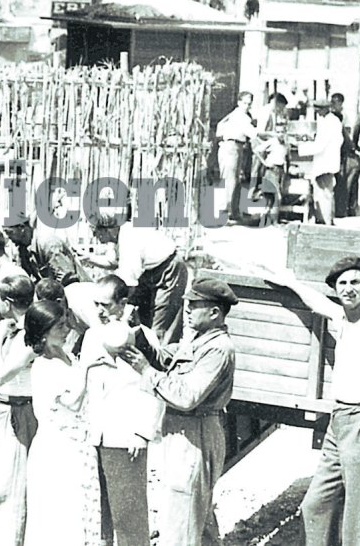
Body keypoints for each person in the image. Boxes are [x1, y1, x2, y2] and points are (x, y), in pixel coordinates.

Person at [261, 256, 360, 546]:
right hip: (339, 421)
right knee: (316, 506)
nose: (348, 288)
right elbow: (318, 303)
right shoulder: (344, 316)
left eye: (355, 282)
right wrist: (289, 281)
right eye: (342, 283)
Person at [118, 276, 238, 546]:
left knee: (181, 523)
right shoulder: (199, 340)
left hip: (195, 433)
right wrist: (138, 333)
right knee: (197, 518)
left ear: (214, 312)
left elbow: (187, 396)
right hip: (185, 433)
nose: (187, 310)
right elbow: (165, 360)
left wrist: (145, 372)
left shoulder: (218, 349)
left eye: (194, 305)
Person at [87, 275, 164, 546]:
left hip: (125, 439)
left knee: (129, 517)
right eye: (95, 304)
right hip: (95, 437)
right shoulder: (91, 337)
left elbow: (155, 388)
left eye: (106, 305)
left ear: (123, 304)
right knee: (99, 517)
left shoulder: (143, 337)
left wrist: (143, 432)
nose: (99, 311)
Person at [22, 300, 103, 546]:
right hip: (57, 449)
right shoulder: (44, 366)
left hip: (79, 446)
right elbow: (73, 402)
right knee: (61, 518)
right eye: (59, 326)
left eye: (66, 323)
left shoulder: (65, 356)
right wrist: (88, 367)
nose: (66, 329)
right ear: (43, 332)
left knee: (81, 512)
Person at [0, 274, 37, 546]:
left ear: (7, 301)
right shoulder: (16, 326)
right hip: (9, 408)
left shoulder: (26, 333)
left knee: (13, 485)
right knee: (5, 482)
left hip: (20, 410)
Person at [86, 213, 188, 346]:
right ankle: (143, 344)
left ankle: (161, 356)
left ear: (107, 230)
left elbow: (129, 284)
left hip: (169, 269)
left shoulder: (128, 240)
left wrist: (122, 310)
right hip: (150, 272)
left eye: (96, 232)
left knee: (161, 320)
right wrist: (88, 259)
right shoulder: (117, 237)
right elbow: (112, 262)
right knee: (142, 316)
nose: (95, 237)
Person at [298, 99, 345, 225]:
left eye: (319, 109)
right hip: (328, 161)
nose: (317, 112)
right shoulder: (330, 121)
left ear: (325, 108)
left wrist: (301, 147)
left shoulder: (329, 122)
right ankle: (324, 219)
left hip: (325, 163)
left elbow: (320, 146)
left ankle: (326, 221)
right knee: (322, 192)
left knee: (324, 194)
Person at [215, 92, 256, 223]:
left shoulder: (242, 115)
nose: (247, 106)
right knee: (229, 180)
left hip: (237, 147)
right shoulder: (240, 116)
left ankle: (234, 211)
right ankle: (223, 212)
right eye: (244, 103)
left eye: (249, 104)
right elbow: (252, 133)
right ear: (239, 102)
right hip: (230, 146)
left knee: (235, 180)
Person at [331, 93, 360, 219]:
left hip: (348, 157)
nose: (334, 105)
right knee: (347, 185)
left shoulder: (344, 119)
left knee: (344, 185)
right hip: (349, 157)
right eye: (332, 102)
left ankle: (344, 211)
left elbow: (346, 139)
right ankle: (348, 210)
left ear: (341, 103)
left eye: (336, 102)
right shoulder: (337, 120)